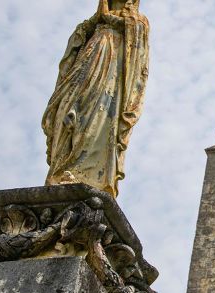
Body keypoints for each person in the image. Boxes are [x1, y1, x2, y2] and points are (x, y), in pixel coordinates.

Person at [42, 0, 149, 197]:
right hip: (85, 67)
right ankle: (61, 170)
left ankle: (88, 174)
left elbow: (138, 46)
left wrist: (107, 17)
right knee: (67, 112)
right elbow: (74, 45)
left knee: (98, 121)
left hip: (111, 73)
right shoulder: (91, 25)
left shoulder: (137, 21)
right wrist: (93, 24)